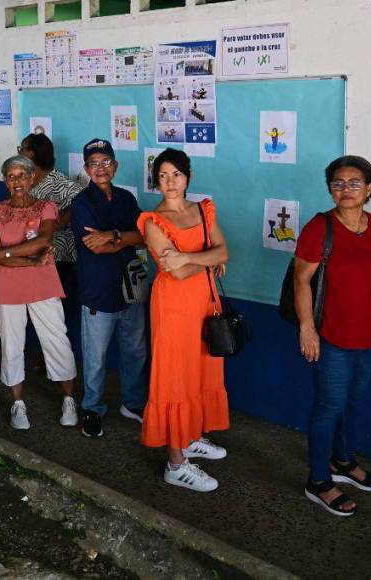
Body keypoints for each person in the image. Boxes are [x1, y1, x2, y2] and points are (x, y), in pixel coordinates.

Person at [293, 155, 371, 516]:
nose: (345, 190)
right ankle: (319, 480)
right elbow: (302, 279)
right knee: (329, 407)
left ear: (369, 188)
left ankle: (343, 460)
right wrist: (308, 328)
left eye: (355, 183)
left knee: (352, 403)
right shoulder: (319, 227)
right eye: (338, 183)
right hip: (333, 338)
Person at [137, 148, 230, 492]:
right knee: (174, 378)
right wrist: (207, 259)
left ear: (188, 177)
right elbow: (172, 272)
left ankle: (189, 437)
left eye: (176, 174)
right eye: (162, 175)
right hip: (173, 306)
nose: (169, 182)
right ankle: (176, 464)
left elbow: (224, 251)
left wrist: (191, 257)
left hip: (205, 302)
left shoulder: (203, 210)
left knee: (199, 370)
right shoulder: (151, 220)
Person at [0, 155, 77, 430]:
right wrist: (30, 260)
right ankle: (17, 404)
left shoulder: (46, 207)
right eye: (11, 176)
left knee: (56, 339)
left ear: (31, 178)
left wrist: (5, 252)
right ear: (5, 180)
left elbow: (44, 240)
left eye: (22, 175)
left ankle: (69, 399)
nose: (17, 181)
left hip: (42, 284)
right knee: (11, 344)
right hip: (6, 286)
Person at [69, 139, 149, 438]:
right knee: (96, 357)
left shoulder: (127, 199)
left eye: (106, 162)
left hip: (131, 288)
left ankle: (133, 402)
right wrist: (125, 239)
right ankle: (92, 407)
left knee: (136, 351)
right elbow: (95, 248)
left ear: (115, 166)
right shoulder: (82, 203)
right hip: (98, 292)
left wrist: (112, 235)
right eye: (94, 163)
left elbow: (144, 237)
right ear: (87, 169)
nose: (101, 168)